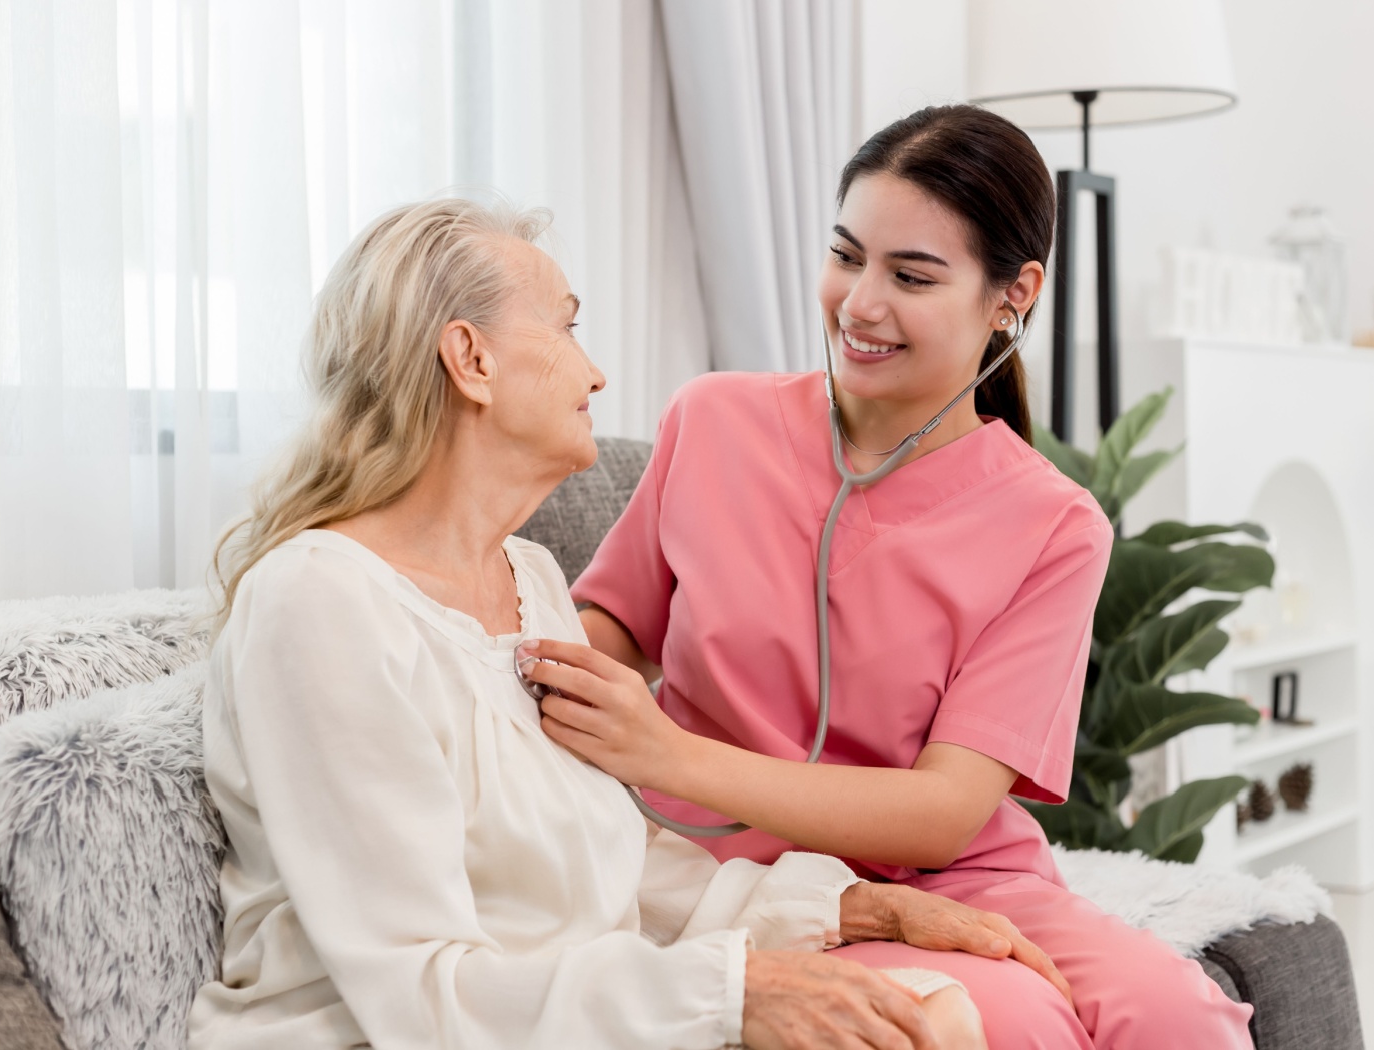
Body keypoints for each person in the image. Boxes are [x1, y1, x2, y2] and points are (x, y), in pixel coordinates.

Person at [187, 195, 1056, 1049]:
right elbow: (422, 992)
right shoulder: (319, 604)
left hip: (576, 1016)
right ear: (471, 360)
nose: (595, 372)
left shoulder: (526, 579)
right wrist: (731, 993)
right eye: (566, 329)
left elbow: (618, 864)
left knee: (930, 1011)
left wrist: (853, 906)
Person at [522, 105, 1257, 1049]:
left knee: (1181, 1020)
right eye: (846, 254)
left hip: (963, 875)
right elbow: (606, 629)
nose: (860, 303)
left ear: (1012, 296)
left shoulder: (1054, 524)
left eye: (911, 276)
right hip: (749, 873)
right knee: (1012, 1023)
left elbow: (946, 814)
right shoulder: (713, 421)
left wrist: (665, 754)